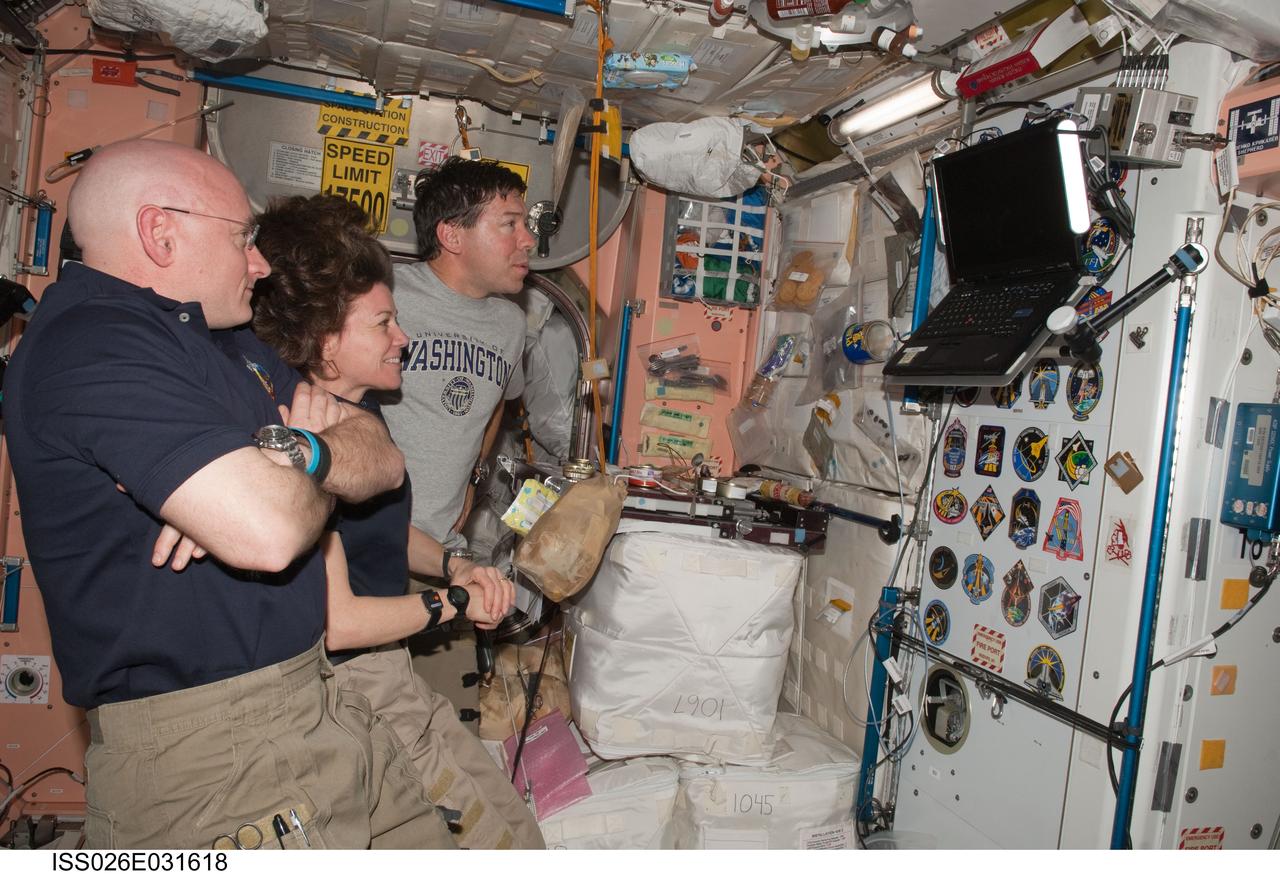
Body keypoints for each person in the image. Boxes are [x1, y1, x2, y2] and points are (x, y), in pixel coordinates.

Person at [2, 140, 453, 849]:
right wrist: (296, 472)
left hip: (316, 704)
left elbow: (380, 455)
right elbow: (269, 533)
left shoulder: (226, 342)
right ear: (160, 232)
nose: (259, 263)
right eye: (243, 237)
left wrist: (295, 457)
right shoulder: (91, 346)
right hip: (217, 752)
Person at [250, 193, 545, 850]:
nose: (402, 339)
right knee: (490, 842)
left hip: (383, 666)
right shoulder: (312, 434)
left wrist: (451, 561)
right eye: (382, 324)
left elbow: (376, 535)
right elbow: (339, 621)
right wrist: (456, 602)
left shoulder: (361, 423)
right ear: (326, 341)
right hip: (350, 677)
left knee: (510, 825)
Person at [381, 157, 535, 550]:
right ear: (452, 236)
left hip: (442, 547)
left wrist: (475, 475)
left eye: (525, 224)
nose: (528, 239)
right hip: (366, 545)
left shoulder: (511, 323)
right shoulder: (387, 295)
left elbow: (496, 403)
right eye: (510, 224)